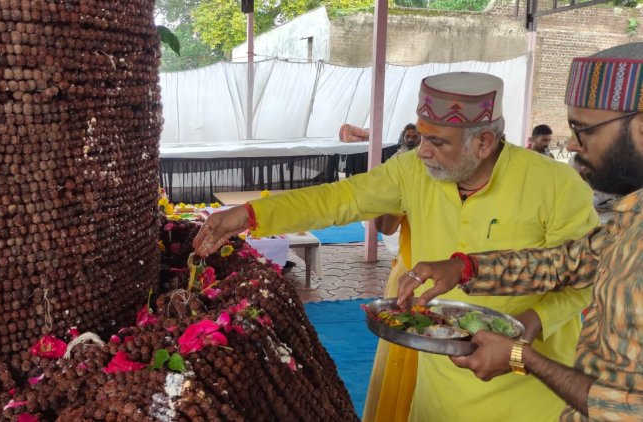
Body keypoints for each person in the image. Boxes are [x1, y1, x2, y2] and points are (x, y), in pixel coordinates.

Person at [194, 71, 599, 421]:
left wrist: (528, 326)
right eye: (421, 138)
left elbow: (584, 280)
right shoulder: (414, 170)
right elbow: (340, 198)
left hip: (527, 391)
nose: (422, 151)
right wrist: (248, 215)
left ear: (484, 142)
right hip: (440, 381)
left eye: (437, 142)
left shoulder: (556, 185)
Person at [397, 43, 643, 421]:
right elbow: (571, 262)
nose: (573, 143)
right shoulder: (632, 217)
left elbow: (629, 409)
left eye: (583, 129)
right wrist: (466, 269)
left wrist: (522, 357)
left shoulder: (558, 184)